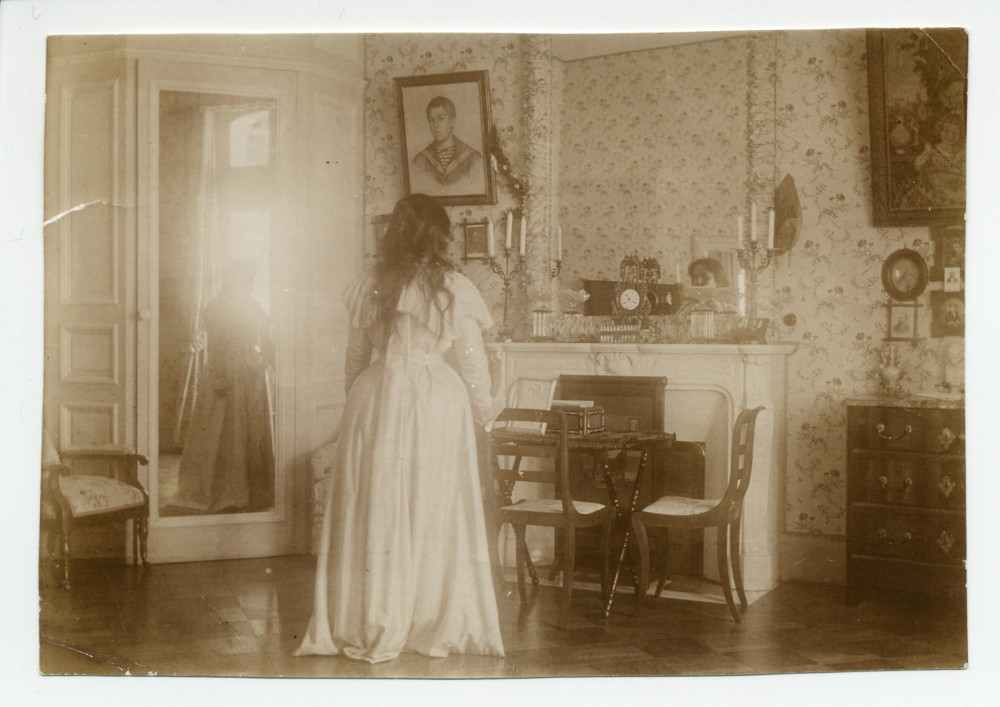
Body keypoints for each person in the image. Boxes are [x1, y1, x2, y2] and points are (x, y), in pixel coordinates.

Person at [295, 194, 504, 663]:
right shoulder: (451, 286)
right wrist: (485, 409)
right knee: (431, 504)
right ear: (438, 235)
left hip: (376, 396)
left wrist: (359, 400)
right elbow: (471, 361)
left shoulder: (373, 284)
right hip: (435, 401)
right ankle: (430, 616)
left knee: (378, 504)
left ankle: (371, 615)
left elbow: (354, 357)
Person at [175, 258, 275, 513]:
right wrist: (219, 375)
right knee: (222, 428)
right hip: (224, 370)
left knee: (249, 430)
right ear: (232, 278)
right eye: (245, 278)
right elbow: (216, 345)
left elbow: (266, 339)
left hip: (250, 371)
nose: (249, 284)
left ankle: (253, 491)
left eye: (251, 279)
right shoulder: (216, 308)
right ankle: (226, 491)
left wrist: (268, 359)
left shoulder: (253, 306)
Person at [410, 96, 484, 195]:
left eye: (441, 118)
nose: (435, 125)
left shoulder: (473, 159)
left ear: (452, 121)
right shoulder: (420, 161)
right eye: (431, 120)